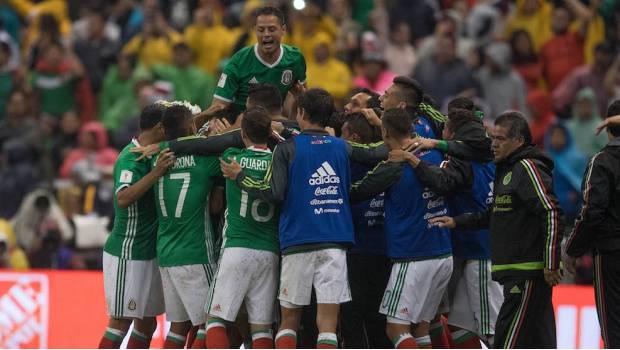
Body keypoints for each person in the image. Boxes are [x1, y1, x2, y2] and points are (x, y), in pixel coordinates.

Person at [220, 88, 354, 349]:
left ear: (301, 113)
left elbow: (275, 193)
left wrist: (240, 178)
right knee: (327, 324)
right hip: (335, 242)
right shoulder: (342, 148)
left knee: (289, 321)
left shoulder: (287, 149)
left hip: (298, 242)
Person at [431, 112, 562, 348]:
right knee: (537, 337)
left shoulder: (526, 167)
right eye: (492, 138)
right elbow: (496, 214)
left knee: (506, 338)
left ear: (519, 141)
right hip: (513, 269)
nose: (493, 144)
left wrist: (551, 262)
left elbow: (551, 211)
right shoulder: (505, 169)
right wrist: (458, 221)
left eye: (500, 139)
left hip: (526, 270)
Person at [390, 107, 501, 347]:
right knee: (459, 326)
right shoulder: (490, 158)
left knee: (493, 332)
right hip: (473, 253)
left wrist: (413, 159)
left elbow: (442, 183)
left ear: (452, 134)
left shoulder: (462, 163)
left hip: (481, 255)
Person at [348, 108, 452, 349]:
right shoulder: (435, 154)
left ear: (384, 132)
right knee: (421, 329)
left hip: (414, 256)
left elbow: (358, 192)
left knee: (395, 327)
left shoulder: (396, 163)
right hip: (443, 253)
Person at [205, 108, 279, 349]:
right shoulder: (279, 162)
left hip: (236, 246)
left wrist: (228, 130)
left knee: (215, 320)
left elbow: (223, 141)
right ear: (269, 132)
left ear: (243, 133)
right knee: (261, 328)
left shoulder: (230, 156)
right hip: (269, 251)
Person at [98, 103, 169, 349]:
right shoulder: (131, 157)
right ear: (160, 128)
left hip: (150, 251)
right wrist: (156, 173)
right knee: (120, 321)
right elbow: (123, 197)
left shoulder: (152, 152)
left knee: (147, 323)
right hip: (128, 251)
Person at [153, 103, 221, 348]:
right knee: (209, 322)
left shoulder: (157, 159)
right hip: (195, 253)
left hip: (166, 254)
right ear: (192, 126)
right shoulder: (203, 162)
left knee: (179, 327)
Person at [564, 100, 620, 348]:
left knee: (613, 325)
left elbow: (591, 212)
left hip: (610, 253)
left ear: (608, 127)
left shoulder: (602, 162)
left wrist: (573, 249)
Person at [338, 113, 391, 348]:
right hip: (386, 251)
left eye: (343, 134)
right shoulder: (390, 161)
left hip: (356, 252)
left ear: (353, 137)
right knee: (380, 320)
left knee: (353, 319)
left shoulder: (346, 162)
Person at [206, 6, 306, 118]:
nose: (266, 34)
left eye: (271, 29)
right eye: (261, 30)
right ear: (254, 30)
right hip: (240, 123)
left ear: (283, 30)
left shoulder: (295, 59)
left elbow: (302, 97)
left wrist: (298, 101)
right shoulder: (239, 61)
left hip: (276, 121)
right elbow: (218, 105)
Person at [544, 123, 587, 224]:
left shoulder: (578, 158)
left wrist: (573, 196)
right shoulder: (546, 158)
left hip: (573, 203)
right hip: (552, 201)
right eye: (554, 135)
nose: (556, 139)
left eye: (560, 135)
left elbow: (583, 183)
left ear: (567, 137)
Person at [150, 42, 215, 109]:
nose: (180, 56)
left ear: (190, 54)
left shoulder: (204, 77)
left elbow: (206, 101)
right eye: (177, 54)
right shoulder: (166, 71)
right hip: (171, 111)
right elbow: (152, 69)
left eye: (183, 53)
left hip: (194, 112)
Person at [477, 42, 528, 121]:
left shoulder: (515, 80)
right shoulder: (482, 75)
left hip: (508, 122)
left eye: (490, 59)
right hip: (488, 121)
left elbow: (523, 105)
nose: (486, 62)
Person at [567, 87, 608, 158]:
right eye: (581, 104)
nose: (583, 108)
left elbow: (606, 152)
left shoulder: (601, 127)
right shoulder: (569, 126)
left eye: (587, 105)